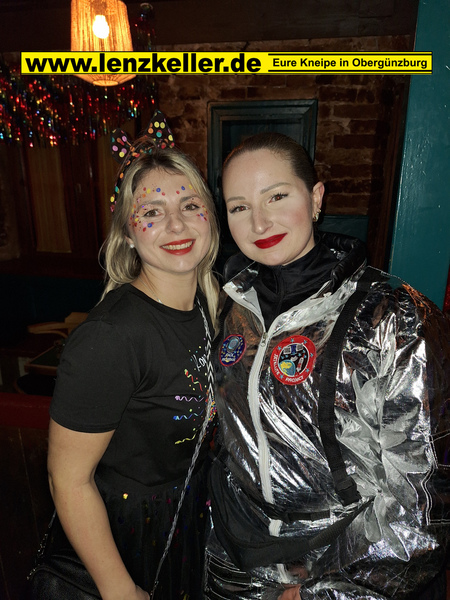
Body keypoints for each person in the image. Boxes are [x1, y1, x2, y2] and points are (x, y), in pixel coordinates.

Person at [204, 132, 450, 600]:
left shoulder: (392, 317)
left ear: (316, 198)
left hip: (346, 562)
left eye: (277, 196)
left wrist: (326, 589)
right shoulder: (231, 304)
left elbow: (423, 497)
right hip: (235, 559)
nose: (259, 221)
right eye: (239, 207)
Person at [31, 112, 220, 600]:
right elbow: (67, 480)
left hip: (186, 522)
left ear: (210, 216)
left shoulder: (210, 307)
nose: (175, 224)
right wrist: (119, 590)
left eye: (190, 205)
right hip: (122, 541)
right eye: (152, 211)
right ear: (129, 233)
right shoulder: (111, 337)